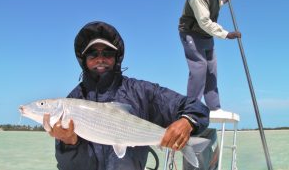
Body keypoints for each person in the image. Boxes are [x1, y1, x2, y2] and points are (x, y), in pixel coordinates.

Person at [45, 21, 209, 170]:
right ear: (84, 59)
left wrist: (187, 122)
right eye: (93, 54)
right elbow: (66, 166)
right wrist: (68, 143)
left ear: (116, 57)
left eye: (108, 53)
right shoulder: (72, 101)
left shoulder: (141, 92)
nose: (100, 59)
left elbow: (195, 107)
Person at [178, 0, 242, 111]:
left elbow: (212, 6)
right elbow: (204, 22)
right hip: (191, 33)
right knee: (199, 67)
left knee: (212, 70)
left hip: (206, 36)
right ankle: (191, 108)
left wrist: (223, 1)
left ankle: (214, 107)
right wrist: (226, 34)